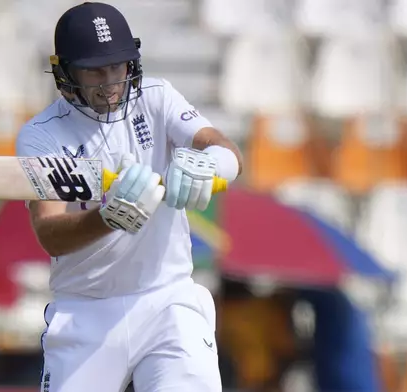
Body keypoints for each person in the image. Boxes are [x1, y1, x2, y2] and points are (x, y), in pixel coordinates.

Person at [15, 2, 243, 391]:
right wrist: (108, 217)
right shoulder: (41, 135)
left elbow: (222, 148)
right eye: (94, 70)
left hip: (167, 300)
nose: (110, 83)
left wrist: (214, 163)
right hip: (86, 310)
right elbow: (50, 232)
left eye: (117, 67)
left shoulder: (156, 97)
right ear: (64, 73)